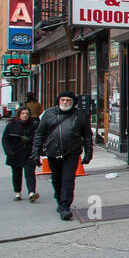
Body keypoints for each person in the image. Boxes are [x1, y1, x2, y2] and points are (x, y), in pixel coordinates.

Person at [31, 91, 93, 220]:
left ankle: (65, 206)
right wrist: (35, 153)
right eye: (63, 100)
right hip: (53, 152)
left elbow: (87, 136)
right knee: (57, 179)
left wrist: (88, 153)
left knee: (68, 179)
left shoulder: (80, 115)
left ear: (73, 102)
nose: (65, 103)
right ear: (58, 101)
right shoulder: (49, 114)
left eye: (68, 100)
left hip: (71, 152)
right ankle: (59, 199)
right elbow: (39, 134)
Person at [1, 106, 39, 202]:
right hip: (15, 153)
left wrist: (30, 140)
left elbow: (38, 138)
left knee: (30, 173)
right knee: (17, 174)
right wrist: (8, 151)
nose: (25, 115)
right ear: (19, 114)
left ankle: (31, 193)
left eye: (27, 113)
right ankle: (17, 193)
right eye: (23, 113)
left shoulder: (33, 125)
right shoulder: (11, 125)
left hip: (29, 152)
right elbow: (5, 139)